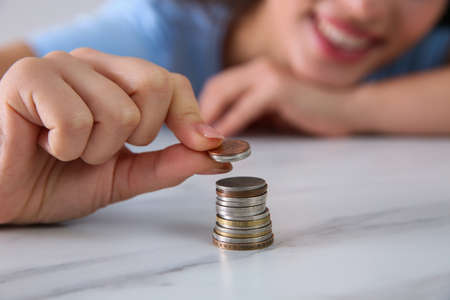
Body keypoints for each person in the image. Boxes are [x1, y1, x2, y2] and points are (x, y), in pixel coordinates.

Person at [0, 0, 449, 224]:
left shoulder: (423, 54)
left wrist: (348, 108)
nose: (364, 8)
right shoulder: (160, 29)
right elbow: (15, 73)